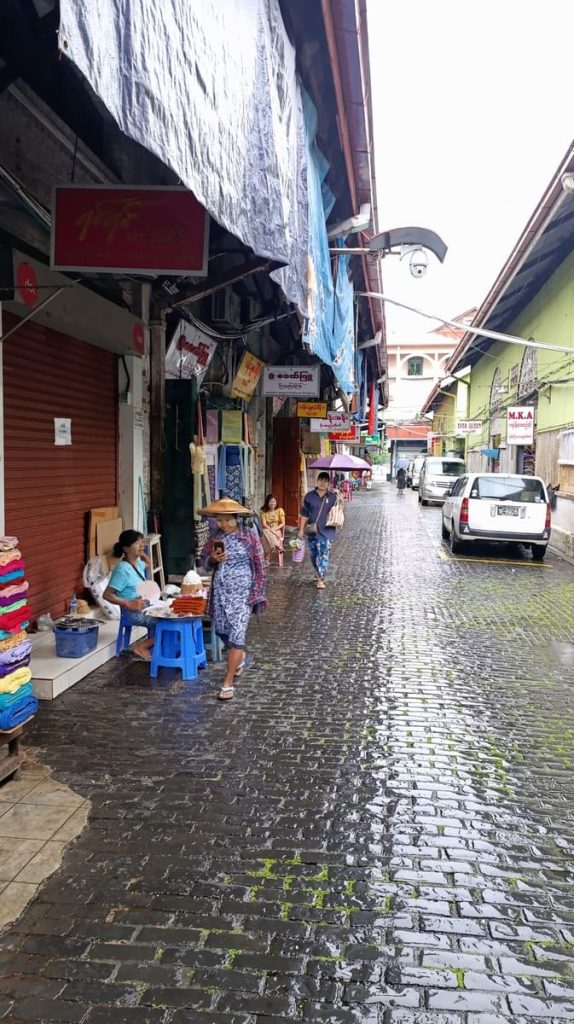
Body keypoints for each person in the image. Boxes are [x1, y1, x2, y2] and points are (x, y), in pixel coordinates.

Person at [200, 498, 267, 701]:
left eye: (224, 520)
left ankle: (227, 682)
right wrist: (213, 559)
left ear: (235, 519)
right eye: (218, 521)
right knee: (222, 630)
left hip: (243, 594)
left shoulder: (249, 538)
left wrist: (257, 592)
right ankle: (240, 657)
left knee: (238, 636)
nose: (221, 524)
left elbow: (261, 566)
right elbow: (203, 562)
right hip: (221, 592)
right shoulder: (214, 538)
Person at [103, 529, 156, 661]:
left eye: (142, 543)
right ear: (126, 548)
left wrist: (142, 554)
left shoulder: (137, 563)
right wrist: (128, 603)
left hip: (145, 607)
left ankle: (156, 648)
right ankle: (142, 647)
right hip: (133, 613)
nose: (141, 545)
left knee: (171, 613)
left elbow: (149, 564)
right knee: (165, 622)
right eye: (138, 544)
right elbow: (107, 595)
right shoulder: (122, 570)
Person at [298, 471, 338, 590]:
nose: (322, 483)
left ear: (329, 483)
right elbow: (304, 513)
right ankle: (317, 570)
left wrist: (339, 497)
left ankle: (321, 579)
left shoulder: (332, 497)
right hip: (312, 530)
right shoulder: (309, 496)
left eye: (326, 481)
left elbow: (338, 511)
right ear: (317, 481)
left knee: (323, 555)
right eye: (321, 480)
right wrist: (301, 530)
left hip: (327, 531)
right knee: (314, 554)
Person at [260, 494, 285, 563]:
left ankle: (267, 558)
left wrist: (275, 529)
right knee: (265, 532)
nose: (273, 503)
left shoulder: (280, 510)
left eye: (274, 501)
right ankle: (277, 545)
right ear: (267, 502)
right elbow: (264, 524)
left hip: (277, 529)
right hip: (267, 528)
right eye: (271, 501)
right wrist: (271, 530)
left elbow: (283, 523)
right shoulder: (263, 510)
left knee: (266, 536)